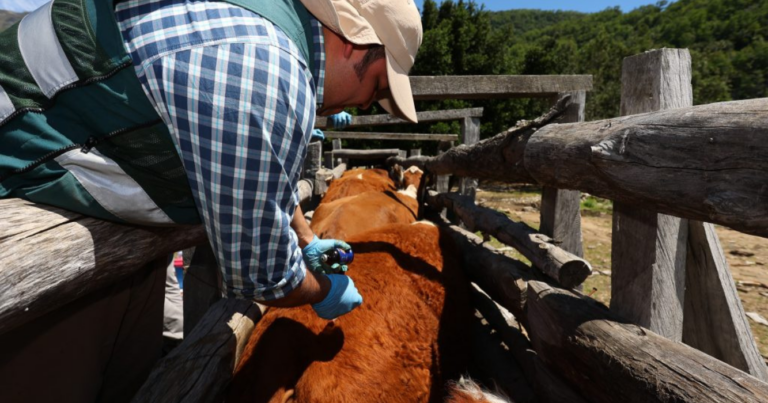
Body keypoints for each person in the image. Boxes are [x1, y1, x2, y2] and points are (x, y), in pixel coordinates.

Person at [0, 0, 422, 401]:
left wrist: (307, 239)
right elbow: (265, 275)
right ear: (354, 42)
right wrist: (326, 289)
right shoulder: (264, 70)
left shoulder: (271, 37)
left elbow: (261, 172)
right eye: (375, 87)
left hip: (100, 198)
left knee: (128, 378)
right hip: (36, 198)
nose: (363, 104)